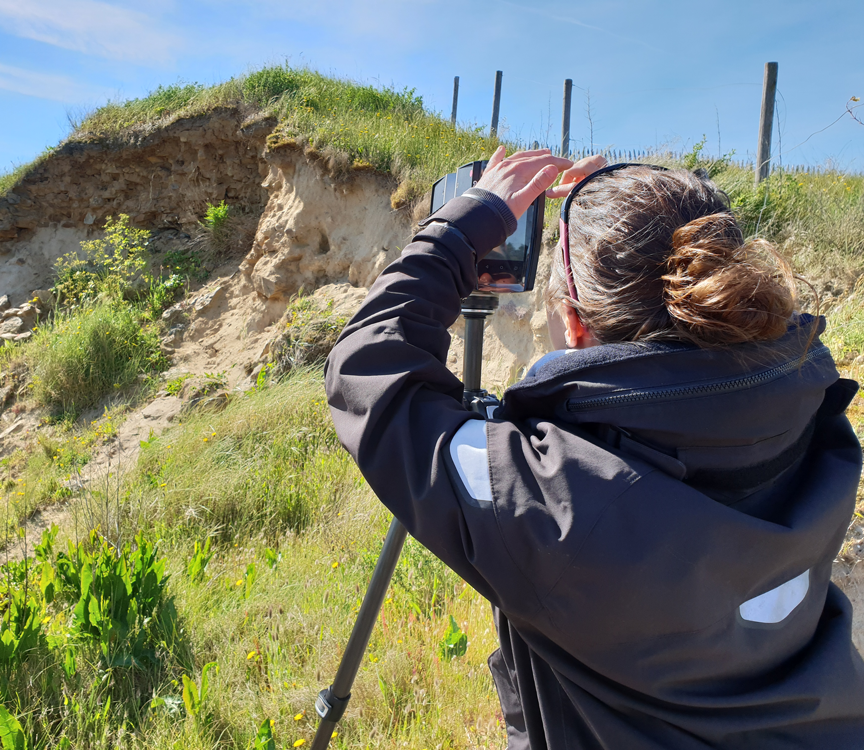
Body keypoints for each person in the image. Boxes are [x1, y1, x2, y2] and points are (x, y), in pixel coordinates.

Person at [324, 147, 864, 749]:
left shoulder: (558, 500)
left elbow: (369, 372)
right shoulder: (815, 411)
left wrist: (463, 226)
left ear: (574, 325)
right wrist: (623, 196)